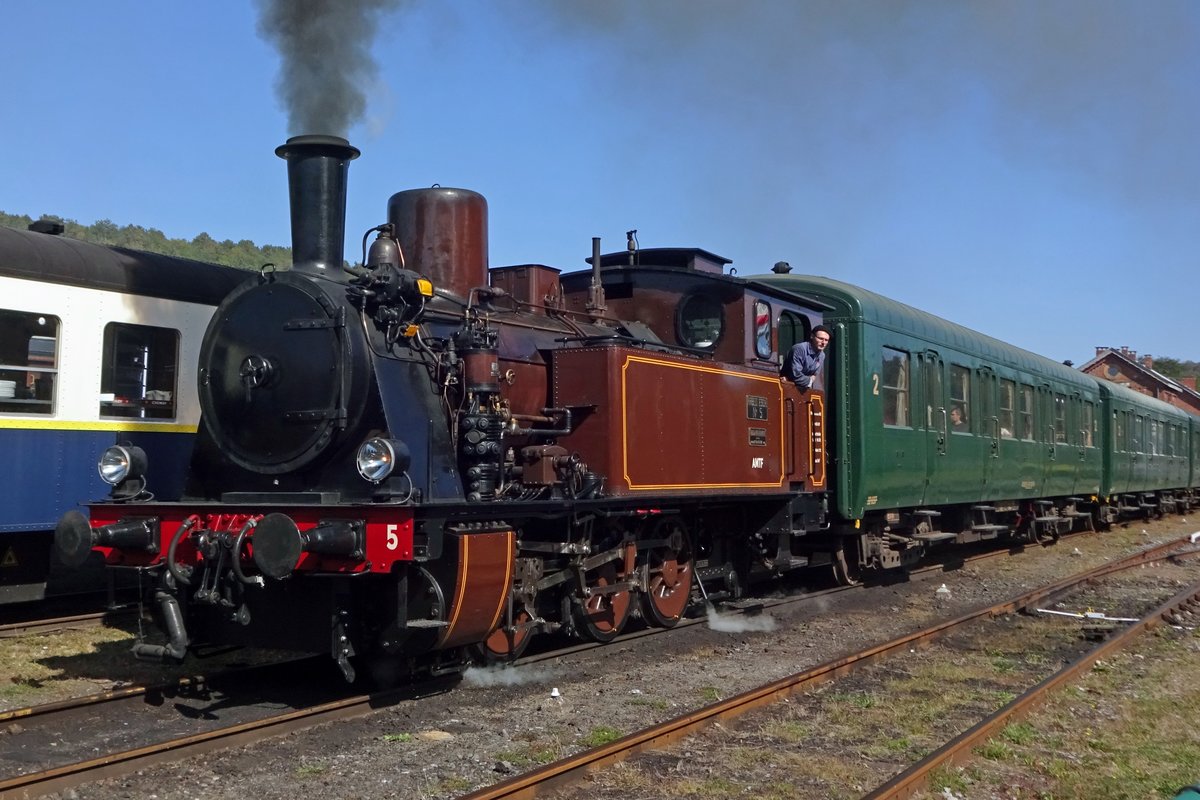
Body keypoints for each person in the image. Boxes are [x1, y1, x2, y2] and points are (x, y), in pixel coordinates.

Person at [782, 325, 831, 391]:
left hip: (802, 389)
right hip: (786, 387)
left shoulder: (822, 355)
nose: (823, 343)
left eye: (826, 340)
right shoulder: (799, 349)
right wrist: (809, 381)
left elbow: (814, 376)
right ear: (812, 336)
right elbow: (796, 375)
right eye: (820, 338)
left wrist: (808, 380)